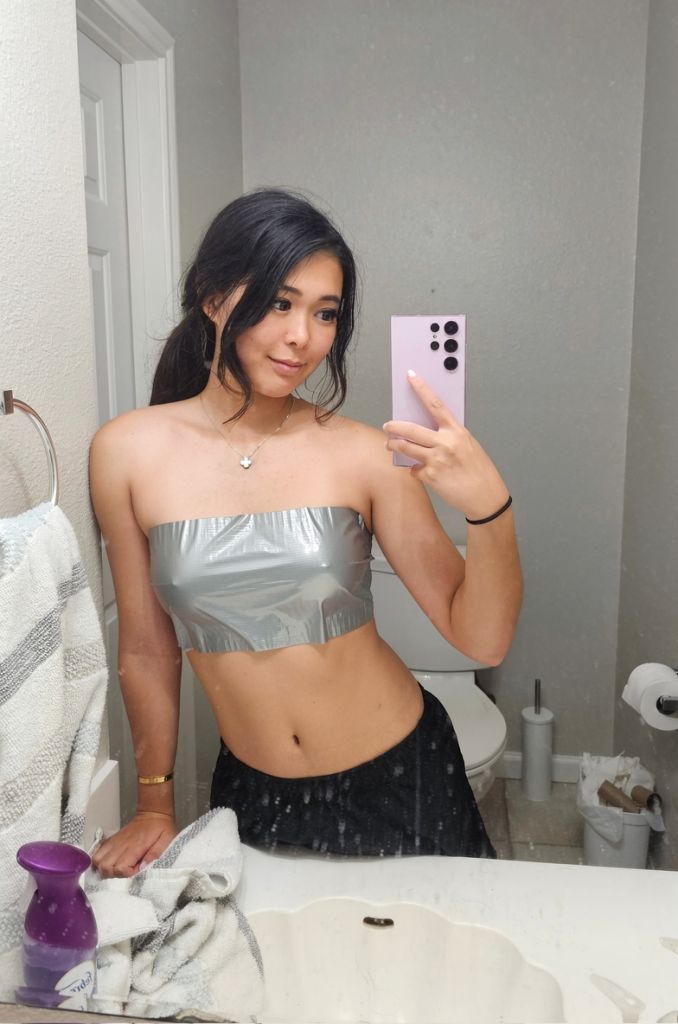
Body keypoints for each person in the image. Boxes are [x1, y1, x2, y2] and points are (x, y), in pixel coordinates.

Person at [89, 188, 522, 878]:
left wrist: (489, 508)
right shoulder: (126, 452)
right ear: (212, 296)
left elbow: (482, 639)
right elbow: (145, 649)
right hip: (252, 793)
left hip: (401, 776)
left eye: (325, 313)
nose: (303, 337)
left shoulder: (365, 454)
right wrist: (153, 804)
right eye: (279, 303)